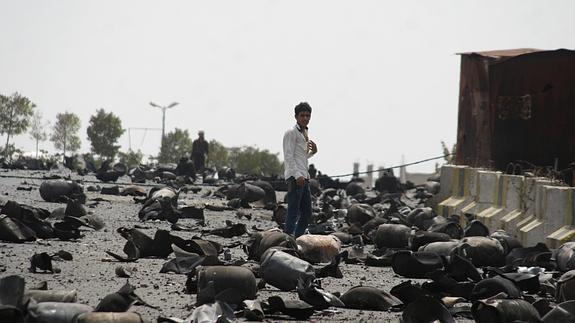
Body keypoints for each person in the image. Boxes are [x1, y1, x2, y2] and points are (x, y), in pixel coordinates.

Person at [283, 102, 318, 237]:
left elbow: (302, 157)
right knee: (293, 211)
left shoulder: (304, 133)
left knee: (307, 213)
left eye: (308, 115)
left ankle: (296, 239)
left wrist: (314, 152)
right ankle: (286, 240)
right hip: (295, 177)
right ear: (296, 116)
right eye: (302, 115)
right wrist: (297, 175)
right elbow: (288, 156)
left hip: (304, 177)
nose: (305, 118)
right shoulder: (291, 133)